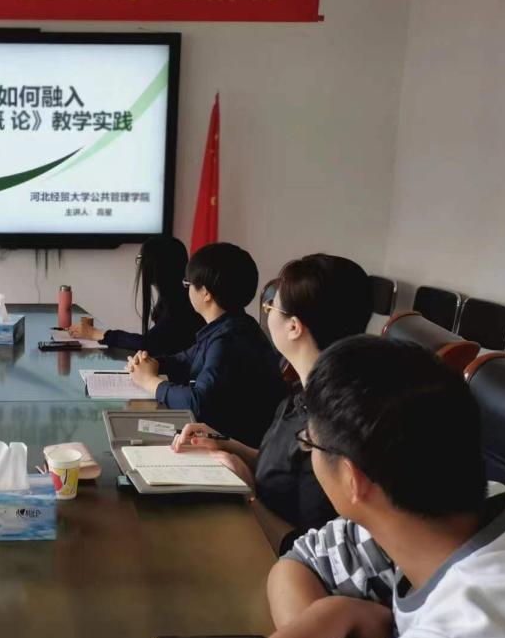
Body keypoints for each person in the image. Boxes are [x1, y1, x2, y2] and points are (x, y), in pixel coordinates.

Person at [223, 336, 505, 638]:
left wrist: (330, 616)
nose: (306, 450)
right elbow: (301, 560)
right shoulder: (473, 507)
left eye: (308, 443)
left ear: (353, 478)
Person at [173, 254, 373, 552]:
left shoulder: (331, 429)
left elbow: (305, 544)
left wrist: (247, 494)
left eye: (270, 308)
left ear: (294, 327)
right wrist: (226, 444)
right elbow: (280, 471)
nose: (266, 315)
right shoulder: (303, 395)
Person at [127, 242, 285, 447]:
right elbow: (184, 360)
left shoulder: (229, 341)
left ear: (206, 293)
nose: (187, 290)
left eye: (188, 284)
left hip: (238, 448)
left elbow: (199, 403)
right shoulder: (230, 326)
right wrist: (150, 363)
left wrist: (150, 382)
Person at [68, 236, 205, 355]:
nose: (141, 267)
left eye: (142, 260)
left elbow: (149, 344)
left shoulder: (180, 304)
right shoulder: (174, 295)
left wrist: (95, 333)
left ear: (156, 267)